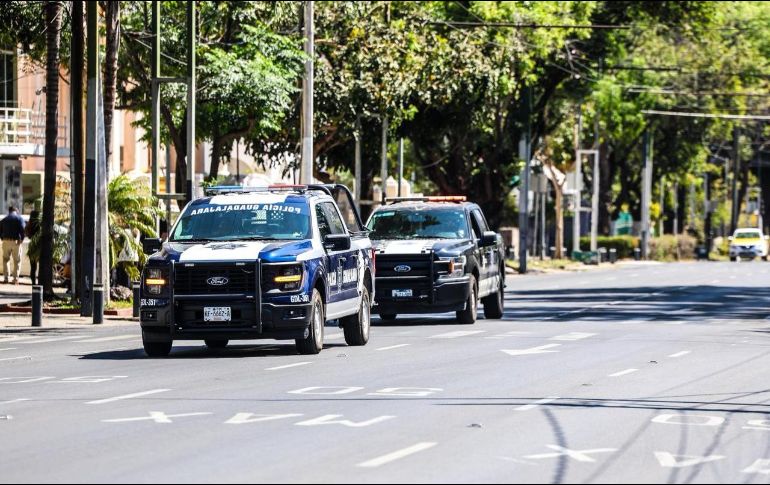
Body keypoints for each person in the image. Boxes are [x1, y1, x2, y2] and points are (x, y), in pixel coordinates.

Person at [0, 206, 26, 285]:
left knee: (5, 260)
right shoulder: (19, 218)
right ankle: (15, 279)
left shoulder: (4, 219)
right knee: (17, 261)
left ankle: (6, 278)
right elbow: (23, 229)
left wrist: (2, 238)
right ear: (16, 211)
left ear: (9, 211)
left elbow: (0, 230)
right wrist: (21, 239)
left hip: (5, 241)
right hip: (16, 242)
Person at [25, 210, 40, 285]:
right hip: (40, 246)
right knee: (42, 266)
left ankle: (33, 283)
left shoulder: (29, 224)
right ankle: (41, 282)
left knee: (33, 267)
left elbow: (27, 234)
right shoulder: (40, 224)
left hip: (32, 246)